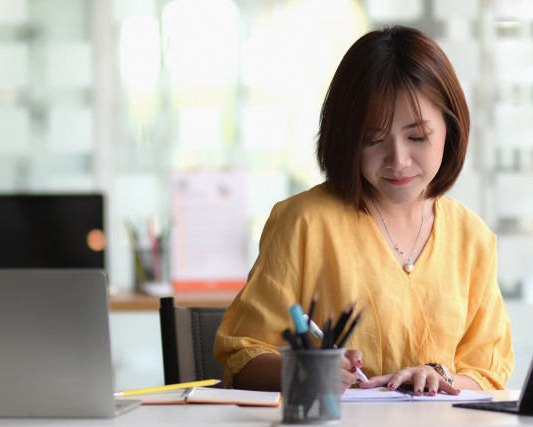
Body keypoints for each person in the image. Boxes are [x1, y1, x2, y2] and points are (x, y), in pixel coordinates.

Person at [213, 25, 514, 396]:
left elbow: (487, 373)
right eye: (373, 139)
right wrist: (306, 370)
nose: (398, 160)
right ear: (346, 137)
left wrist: (441, 378)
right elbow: (243, 360)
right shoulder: (304, 223)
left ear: (450, 128)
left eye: (417, 136)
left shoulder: (473, 238)